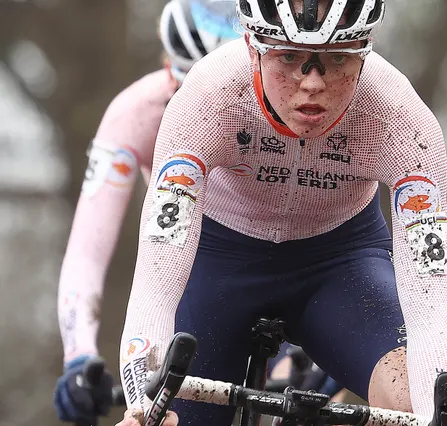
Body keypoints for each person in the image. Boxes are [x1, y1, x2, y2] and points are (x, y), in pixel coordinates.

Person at [118, 0, 447, 426]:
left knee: (410, 399)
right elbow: (153, 288)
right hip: (219, 261)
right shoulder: (207, 98)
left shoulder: (401, 120)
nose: (312, 83)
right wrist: (140, 402)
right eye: (288, 57)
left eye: (337, 59)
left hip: (340, 263)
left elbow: (431, 312)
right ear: (251, 46)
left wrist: (435, 413)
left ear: (365, 49)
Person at [53, 1, 242, 423]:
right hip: (190, 271)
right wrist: (79, 355)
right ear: (165, 64)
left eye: (229, 99)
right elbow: (87, 250)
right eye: (185, 92)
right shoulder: (134, 112)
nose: (202, 114)